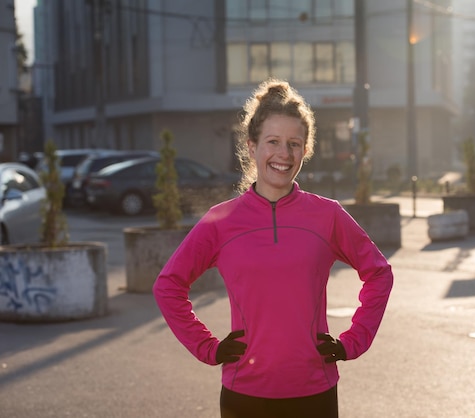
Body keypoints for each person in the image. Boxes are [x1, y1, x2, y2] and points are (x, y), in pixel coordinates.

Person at [153, 79, 394, 418]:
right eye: (273, 142)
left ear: (305, 150)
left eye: (294, 144)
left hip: (314, 391)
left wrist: (353, 341)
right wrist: (207, 347)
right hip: (244, 394)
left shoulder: (328, 216)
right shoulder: (221, 220)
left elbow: (379, 274)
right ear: (252, 147)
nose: (284, 154)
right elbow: (168, 286)